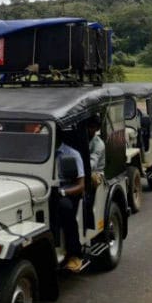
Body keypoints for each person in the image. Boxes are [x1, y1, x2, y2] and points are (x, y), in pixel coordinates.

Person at [56, 133, 85, 273]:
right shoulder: (39, 150)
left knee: (65, 208)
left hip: (68, 191)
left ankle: (74, 253)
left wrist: (63, 192)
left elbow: (81, 185)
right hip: (48, 189)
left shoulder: (72, 154)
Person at [87, 114, 105, 188]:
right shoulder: (84, 138)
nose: (89, 129)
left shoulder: (99, 144)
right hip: (85, 169)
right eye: (88, 126)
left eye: (92, 127)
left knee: (92, 178)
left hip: (96, 173)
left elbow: (92, 163)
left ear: (97, 129)